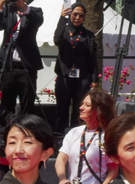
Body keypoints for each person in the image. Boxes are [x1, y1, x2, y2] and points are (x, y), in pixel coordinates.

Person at [55, 87, 116, 184]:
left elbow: (113, 169)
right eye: (82, 104)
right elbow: (61, 158)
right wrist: (62, 179)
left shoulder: (107, 136)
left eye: (87, 105)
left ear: (98, 110)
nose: (81, 108)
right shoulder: (74, 132)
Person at [0, 0, 44, 116]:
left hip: (26, 66)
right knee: (6, 105)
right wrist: (0, 6)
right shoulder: (8, 10)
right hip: (8, 65)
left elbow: (37, 21)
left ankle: (25, 131)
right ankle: (7, 130)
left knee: (27, 105)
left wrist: (23, 7)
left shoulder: (35, 11)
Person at [53, 2, 97, 134]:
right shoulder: (64, 30)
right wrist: (62, 18)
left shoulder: (89, 35)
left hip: (82, 78)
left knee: (79, 109)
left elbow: (93, 59)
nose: (77, 18)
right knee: (62, 108)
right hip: (64, 76)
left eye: (81, 15)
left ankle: (76, 135)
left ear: (84, 18)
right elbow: (56, 40)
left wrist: (94, 80)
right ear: (70, 15)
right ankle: (60, 136)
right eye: (75, 14)